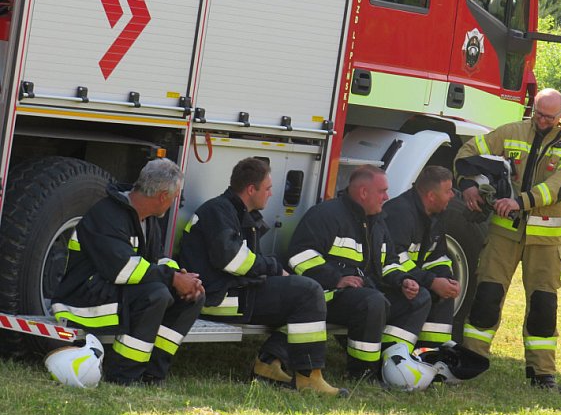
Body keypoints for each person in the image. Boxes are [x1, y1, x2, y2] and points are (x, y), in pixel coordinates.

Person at [178, 158, 346, 397]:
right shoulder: (219, 211)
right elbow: (231, 260)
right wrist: (275, 269)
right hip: (218, 298)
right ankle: (309, 377)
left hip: (233, 292)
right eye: (267, 188)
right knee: (307, 292)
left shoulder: (234, 212)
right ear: (250, 189)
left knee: (309, 295)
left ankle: (269, 363)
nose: (271, 194)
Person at [455, 88, 561, 390]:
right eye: (538, 113)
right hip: (504, 232)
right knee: (487, 296)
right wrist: (469, 185)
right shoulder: (511, 131)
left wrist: (521, 202)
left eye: (549, 117)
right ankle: (471, 360)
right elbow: (465, 155)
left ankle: (542, 373)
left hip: (544, 239)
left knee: (543, 305)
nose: (542, 120)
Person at [52, 159, 204, 386]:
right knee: (156, 294)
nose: (174, 203)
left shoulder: (148, 220)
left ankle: (153, 374)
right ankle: (124, 375)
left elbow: (155, 261)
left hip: (113, 292)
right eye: (174, 198)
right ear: (163, 195)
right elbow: (121, 269)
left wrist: (182, 277)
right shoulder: (107, 215)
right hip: (82, 299)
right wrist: (173, 279)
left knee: (194, 296)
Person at [287, 165, 431, 380]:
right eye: (382, 191)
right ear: (364, 192)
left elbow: (388, 262)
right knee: (373, 302)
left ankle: (391, 363)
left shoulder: (377, 222)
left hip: (365, 293)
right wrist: (337, 279)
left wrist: (403, 281)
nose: (387, 197)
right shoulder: (326, 214)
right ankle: (363, 372)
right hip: (328, 296)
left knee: (420, 297)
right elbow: (299, 256)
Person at [383, 165, 459, 349]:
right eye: (448, 191)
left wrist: (445, 279)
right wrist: (432, 282)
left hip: (413, 279)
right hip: (390, 280)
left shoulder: (435, 215)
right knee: (421, 295)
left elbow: (437, 256)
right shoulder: (400, 213)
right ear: (431, 196)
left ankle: (432, 356)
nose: (453, 195)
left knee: (444, 295)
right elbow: (394, 258)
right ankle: (394, 355)